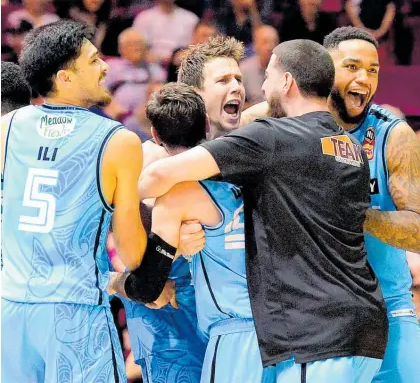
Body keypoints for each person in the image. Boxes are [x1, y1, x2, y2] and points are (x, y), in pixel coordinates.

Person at [138, 39, 388, 382]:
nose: (242, 87)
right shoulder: (345, 147)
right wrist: (158, 214)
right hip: (226, 329)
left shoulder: (266, 140)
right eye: (223, 80)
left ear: (285, 82)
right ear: (193, 95)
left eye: (241, 78)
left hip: (292, 334)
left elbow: (153, 181)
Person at [1, 19, 163, 383]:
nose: (105, 66)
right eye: (93, 61)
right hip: (74, 313)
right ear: (65, 78)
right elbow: (132, 254)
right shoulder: (117, 140)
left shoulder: (7, 127)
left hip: (10, 311)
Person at [110, 82, 273, 383]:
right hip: (279, 329)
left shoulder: (171, 192)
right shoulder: (258, 173)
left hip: (225, 333)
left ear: (156, 136)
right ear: (208, 125)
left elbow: (148, 288)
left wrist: (115, 282)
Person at [323, 26, 420, 383]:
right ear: (323, 68)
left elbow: (419, 233)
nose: (364, 77)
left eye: (373, 69)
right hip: (316, 316)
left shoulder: (394, 135)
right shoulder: (287, 126)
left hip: (388, 309)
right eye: (351, 67)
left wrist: (357, 215)